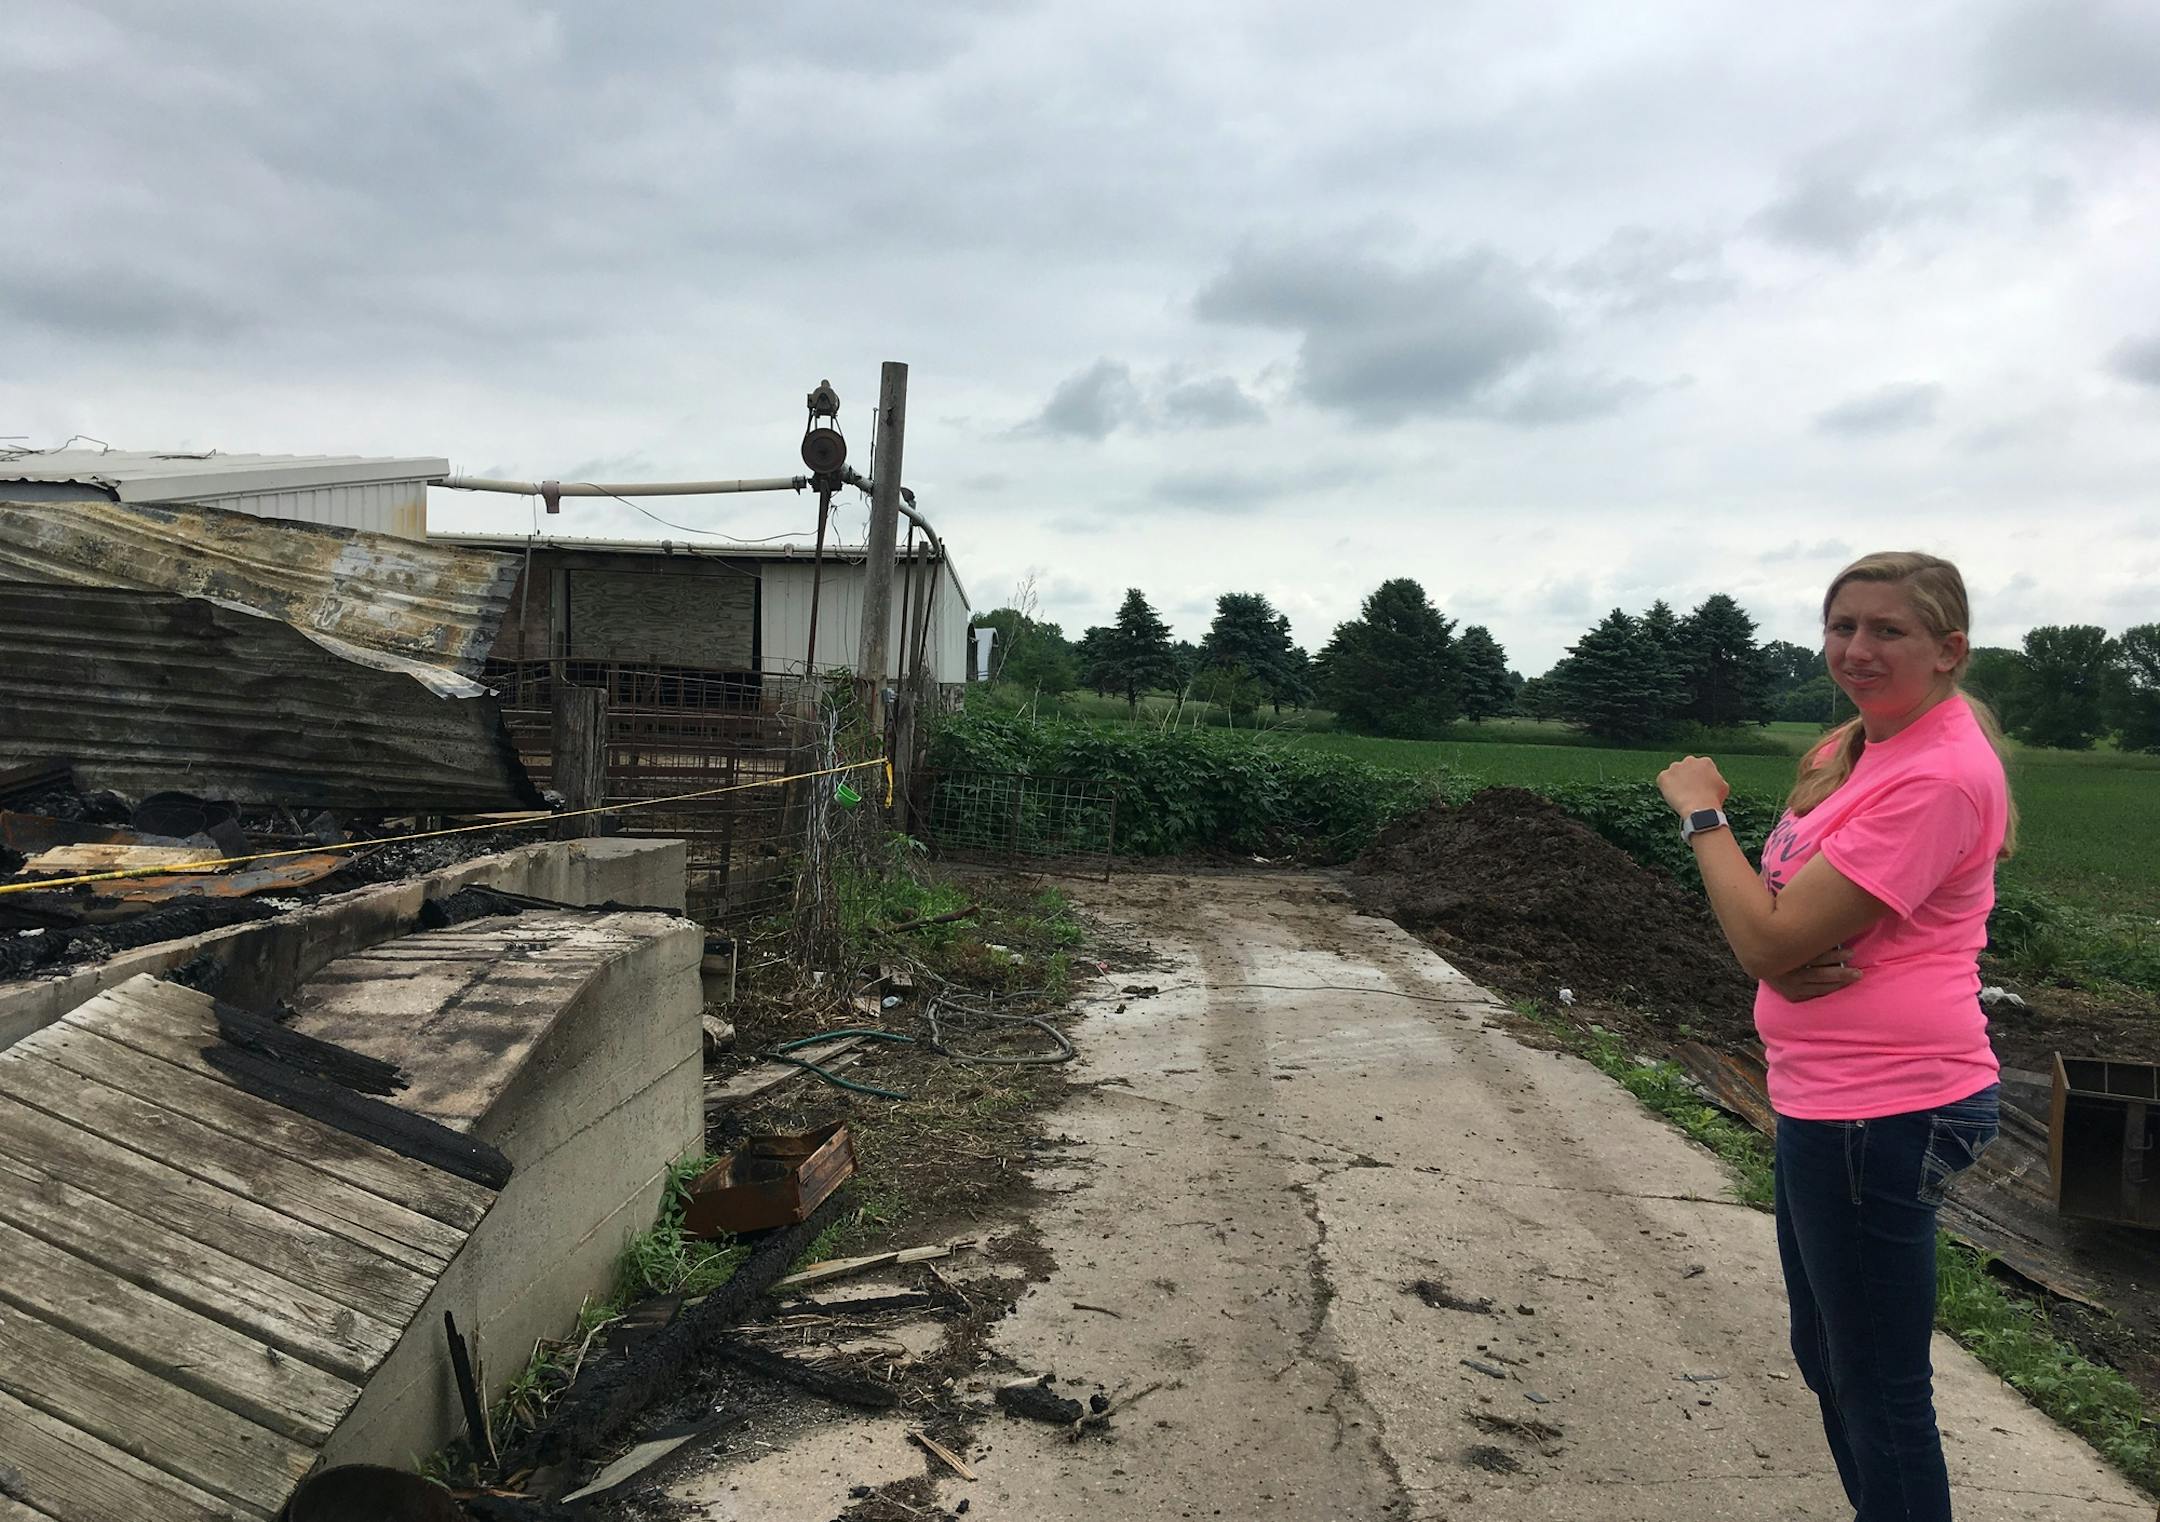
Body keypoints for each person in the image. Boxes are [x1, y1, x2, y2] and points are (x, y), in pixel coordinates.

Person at [1655, 551, 2014, 1522]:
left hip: (1887, 1105)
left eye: (1887, 630)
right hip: (1827, 1093)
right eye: (1841, 625)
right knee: (1830, 1356)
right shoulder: (1849, 748)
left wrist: (1703, 814)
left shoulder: (1937, 775)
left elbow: (1766, 928)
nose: (1856, 649)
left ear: (1949, 652)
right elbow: (1771, 916)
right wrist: (1766, 947)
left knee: (1877, 1383)